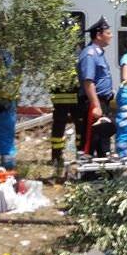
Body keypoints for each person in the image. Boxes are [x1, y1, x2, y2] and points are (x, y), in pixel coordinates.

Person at [48, 19, 84, 172]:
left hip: (60, 97)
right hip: (73, 96)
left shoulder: (56, 51)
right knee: (79, 127)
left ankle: (57, 156)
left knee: (58, 128)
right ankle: (79, 155)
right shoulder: (76, 52)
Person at [77, 17, 115, 157]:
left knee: (102, 135)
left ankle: (102, 170)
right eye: (108, 33)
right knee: (90, 137)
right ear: (99, 35)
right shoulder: (89, 54)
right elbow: (88, 82)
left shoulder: (99, 53)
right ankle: (87, 172)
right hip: (93, 102)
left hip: (102, 100)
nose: (111, 36)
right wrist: (96, 105)